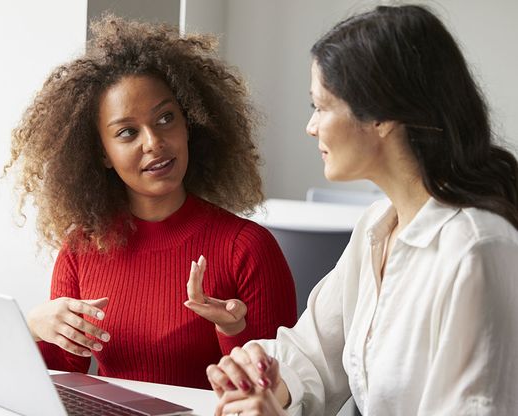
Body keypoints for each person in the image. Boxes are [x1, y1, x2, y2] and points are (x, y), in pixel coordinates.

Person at [207, 4, 518, 415]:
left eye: (320, 106)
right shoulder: (377, 226)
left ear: (381, 117)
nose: (311, 126)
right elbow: (313, 354)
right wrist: (261, 376)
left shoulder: (477, 251)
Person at [5, 15, 297, 389]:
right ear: (103, 154)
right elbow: (59, 381)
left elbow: (276, 394)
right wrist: (34, 327)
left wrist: (232, 329)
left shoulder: (247, 248)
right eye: (127, 132)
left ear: (188, 124)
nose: (153, 142)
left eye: (165, 118)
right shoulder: (80, 250)